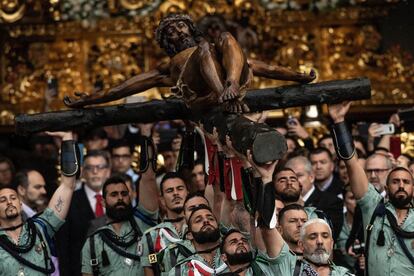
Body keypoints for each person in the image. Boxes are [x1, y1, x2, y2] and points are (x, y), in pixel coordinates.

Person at [63, 13, 315, 114]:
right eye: (170, 31)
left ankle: (230, 87)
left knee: (226, 37)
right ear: (166, 41)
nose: (178, 31)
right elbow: (123, 88)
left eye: (180, 25)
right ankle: (227, 94)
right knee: (205, 47)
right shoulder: (168, 66)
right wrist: (89, 99)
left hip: (232, 82)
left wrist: (297, 77)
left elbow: (265, 68)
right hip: (203, 92)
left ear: (190, 27)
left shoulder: (218, 51)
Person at [328, 101, 414, 276]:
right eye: (395, 181)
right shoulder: (373, 207)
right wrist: (339, 122)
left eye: (406, 181)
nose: (401, 185)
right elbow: (351, 163)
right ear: (386, 187)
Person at [0, 131, 78, 275]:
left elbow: (68, 184)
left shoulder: (41, 227)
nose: (9, 202)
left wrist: (67, 139)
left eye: (13, 197)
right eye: (2, 200)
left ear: (21, 203)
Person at [81, 176, 154, 276]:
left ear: (130, 197)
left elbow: (148, 179)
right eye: (114, 194)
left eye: (124, 194)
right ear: (103, 202)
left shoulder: (145, 227)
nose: (120, 198)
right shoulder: (93, 242)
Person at [56, 149, 111, 276]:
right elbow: (63, 246)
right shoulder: (69, 201)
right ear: (82, 172)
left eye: (100, 167)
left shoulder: (116, 199)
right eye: (89, 167)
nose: (95, 172)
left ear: (108, 171)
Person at [285, 155, 343, 241]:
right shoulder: (280, 202)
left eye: (299, 176)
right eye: (290, 178)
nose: (293, 181)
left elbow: (330, 235)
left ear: (311, 177)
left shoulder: (332, 201)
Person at [141, 172, 189, 275]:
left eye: (180, 188)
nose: (176, 193)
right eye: (170, 190)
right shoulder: (150, 237)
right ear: (162, 200)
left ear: (187, 194)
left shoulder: (201, 227)